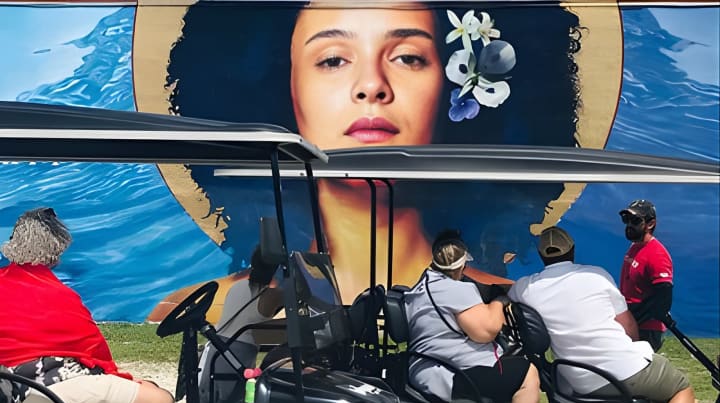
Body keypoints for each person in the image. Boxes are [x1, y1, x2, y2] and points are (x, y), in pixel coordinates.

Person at [158, 0, 583, 311]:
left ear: (453, 90)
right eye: (333, 60)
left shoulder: (500, 303)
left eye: (408, 57)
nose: (372, 86)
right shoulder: (203, 307)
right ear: (283, 89)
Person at [0, 208, 216, 403]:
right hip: (43, 391)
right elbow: (91, 349)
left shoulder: (5, 284)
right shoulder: (57, 295)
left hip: (20, 388)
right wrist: (114, 374)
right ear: (54, 252)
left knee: (149, 391)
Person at [508, 225, 705, 403]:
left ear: (541, 255)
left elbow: (505, 293)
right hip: (624, 371)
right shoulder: (596, 275)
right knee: (681, 387)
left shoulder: (526, 288)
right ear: (573, 251)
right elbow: (630, 328)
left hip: (578, 380)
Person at [404, 229, 553, 403]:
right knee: (527, 373)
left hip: (428, 368)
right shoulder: (455, 290)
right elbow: (487, 331)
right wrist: (499, 301)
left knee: (507, 369)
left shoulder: (422, 286)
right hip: (448, 375)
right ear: (460, 267)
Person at [192, 244, 283, 403]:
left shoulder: (238, 287)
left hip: (217, 349)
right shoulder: (272, 295)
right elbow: (300, 294)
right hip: (238, 355)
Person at [619, 199, 673, 351]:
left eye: (635, 220)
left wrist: (635, 317)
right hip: (632, 322)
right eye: (626, 219)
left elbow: (663, 296)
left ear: (650, 224)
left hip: (647, 329)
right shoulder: (635, 246)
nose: (629, 225)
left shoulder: (657, 253)